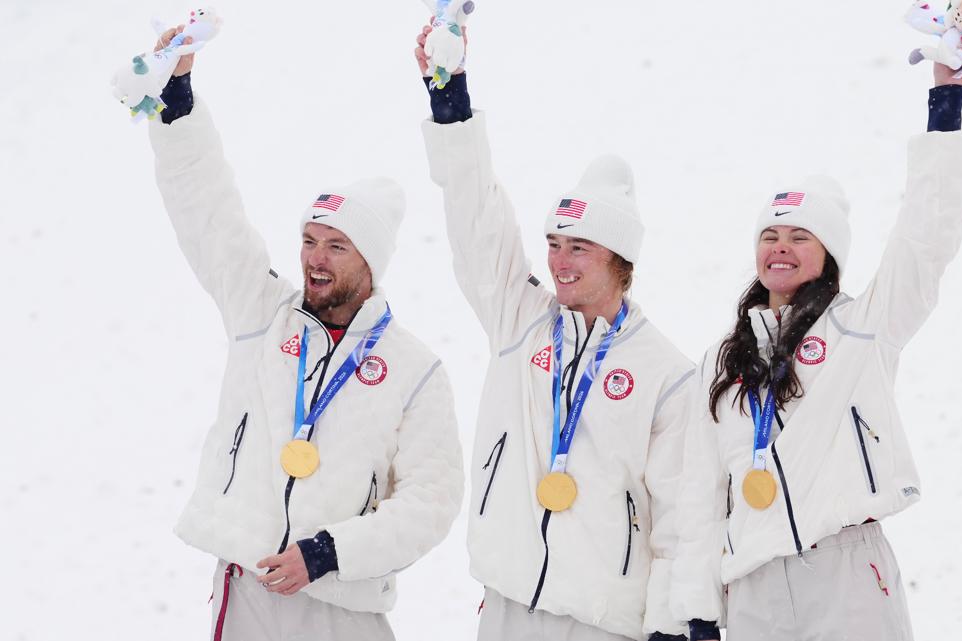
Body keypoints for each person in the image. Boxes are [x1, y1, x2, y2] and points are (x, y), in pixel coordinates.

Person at [146, 25, 464, 640]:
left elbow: (430, 502)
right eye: (310, 241)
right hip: (247, 587)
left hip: (341, 603)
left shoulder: (414, 370)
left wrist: (327, 552)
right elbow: (210, 214)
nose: (315, 258)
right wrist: (177, 102)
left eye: (337, 246)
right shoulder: (261, 314)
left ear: (371, 261)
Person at [671, 53, 962, 641]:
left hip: (846, 574)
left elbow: (927, 235)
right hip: (753, 585)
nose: (780, 248)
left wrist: (945, 107)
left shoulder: (864, 327)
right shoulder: (723, 358)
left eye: (799, 236)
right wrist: (697, 607)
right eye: (769, 235)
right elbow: (700, 494)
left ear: (828, 253)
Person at [414, 25, 713, 641]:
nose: (560, 262)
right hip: (507, 606)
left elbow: (681, 517)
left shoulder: (668, 373)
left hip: (603, 622)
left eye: (580, 247)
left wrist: (673, 622)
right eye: (553, 244)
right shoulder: (520, 323)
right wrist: (452, 106)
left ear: (620, 260)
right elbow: (476, 219)